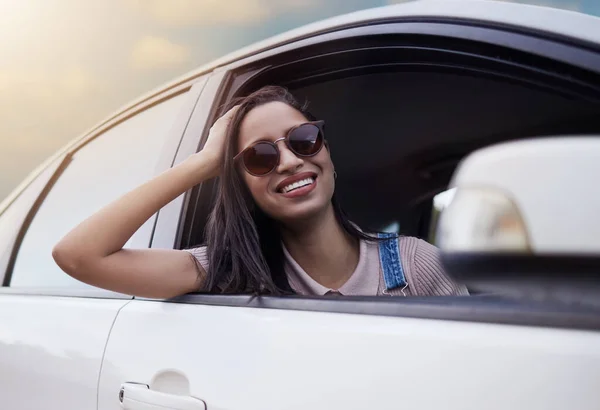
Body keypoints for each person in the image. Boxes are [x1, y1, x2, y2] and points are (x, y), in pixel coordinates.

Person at [52, 85, 468, 298]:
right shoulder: (226, 272)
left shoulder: (419, 266)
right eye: (260, 157)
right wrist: (202, 162)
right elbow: (78, 256)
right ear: (242, 187)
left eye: (304, 139)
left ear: (329, 155)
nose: (289, 162)